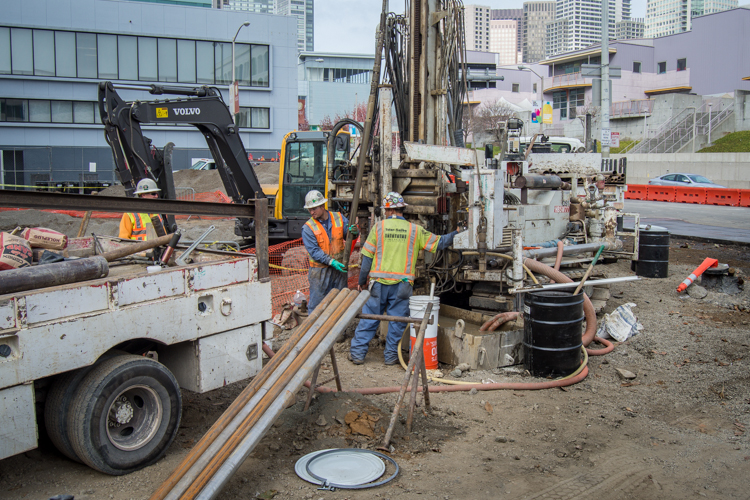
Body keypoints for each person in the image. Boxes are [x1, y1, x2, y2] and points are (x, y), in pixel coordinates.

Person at [349, 192, 459, 365]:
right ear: (401, 209)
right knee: (397, 321)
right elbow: (440, 243)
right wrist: (457, 232)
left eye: (385, 210)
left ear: (388, 210)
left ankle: (357, 354)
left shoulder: (378, 228)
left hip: (378, 283)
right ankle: (391, 357)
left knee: (370, 317)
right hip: (403, 285)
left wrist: (362, 281)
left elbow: (367, 259)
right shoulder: (415, 230)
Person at [301, 189, 358, 311]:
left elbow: (348, 236)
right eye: (309, 209)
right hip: (320, 272)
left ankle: (339, 330)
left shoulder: (338, 218)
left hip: (339, 271)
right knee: (318, 306)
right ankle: (316, 329)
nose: (311, 212)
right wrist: (331, 262)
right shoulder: (308, 228)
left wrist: (354, 233)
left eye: (314, 208)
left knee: (340, 302)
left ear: (322, 206)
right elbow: (315, 251)